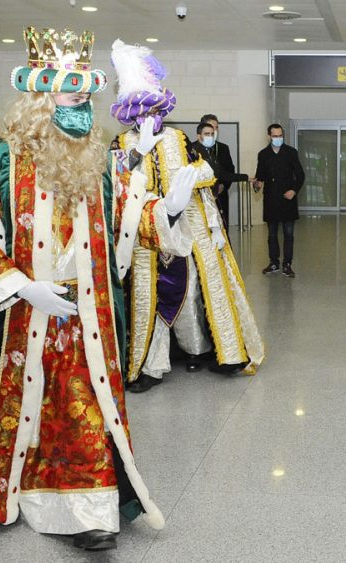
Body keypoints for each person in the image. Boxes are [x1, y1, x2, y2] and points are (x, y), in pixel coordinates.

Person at [0, 27, 183, 550]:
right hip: (24, 319)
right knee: (34, 409)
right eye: (72, 93)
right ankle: (26, 488)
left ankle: (88, 512)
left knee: (83, 406)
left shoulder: (96, 165)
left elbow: (127, 220)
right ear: (40, 98)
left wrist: (171, 207)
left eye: (87, 95)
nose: (82, 104)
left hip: (88, 317)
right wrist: (27, 290)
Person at [108, 40, 263, 393]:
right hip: (143, 236)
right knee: (147, 297)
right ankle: (150, 363)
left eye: (152, 109)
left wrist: (193, 179)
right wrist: (138, 158)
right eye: (140, 110)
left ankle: (198, 350)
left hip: (186, 230)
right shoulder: (121, 144)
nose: (147, 117)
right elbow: (114, 185)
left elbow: (206, 171)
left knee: (192, 290)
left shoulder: (178, 138)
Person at [253, 123, 304, 277]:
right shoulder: (263, 154)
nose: (278, 138)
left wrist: (294, 190)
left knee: (289, 234)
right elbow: (259, 176)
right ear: (269, 137)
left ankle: (287, 264)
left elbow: (300, 175)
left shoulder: (291, 153)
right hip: (271, 200)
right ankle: (273, 262)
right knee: (272, 234)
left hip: (288, 200)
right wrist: (257, 184)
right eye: (275, 136)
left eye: (280, 136)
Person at [198, 113, 238, 229]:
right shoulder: (193, 148)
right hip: (202, 197)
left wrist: (223, 185)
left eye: (216, 127)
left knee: (223, 228)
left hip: (220, 196)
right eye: (211, 127)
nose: (214, 130)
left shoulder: (223, 148)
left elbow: (230, 170)